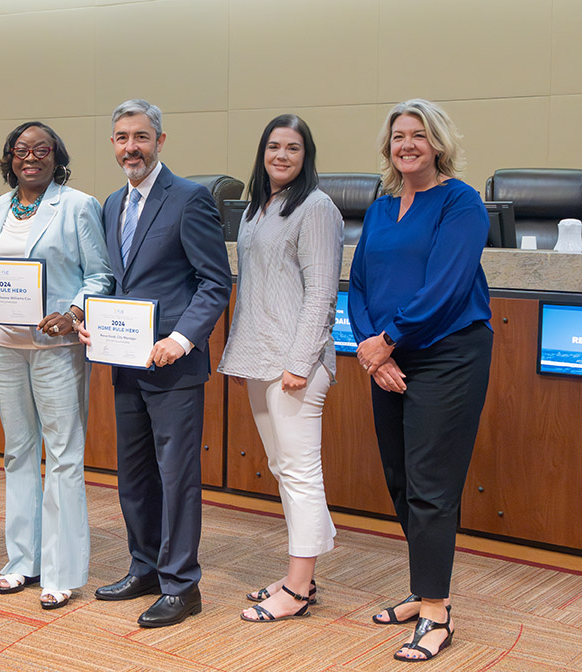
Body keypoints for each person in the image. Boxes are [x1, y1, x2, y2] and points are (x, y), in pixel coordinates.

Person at [349, 99, 492, 662]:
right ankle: (422, 587)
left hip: (448, 354)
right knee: (400, 477)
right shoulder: (383, 208)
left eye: (418, 135)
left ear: (437, 143)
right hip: (387, 356)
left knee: (432, 483)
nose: (407, 144)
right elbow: (358, 282)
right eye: (398, 136)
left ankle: (436, 610)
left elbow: (448, 286)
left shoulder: (461, 202)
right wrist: (372, 351)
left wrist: (389, 340)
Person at [79, 99, 232, 628]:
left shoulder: (190, 199)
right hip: (124, 363)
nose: (130, 148)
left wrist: (182, 339)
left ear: (160, 141)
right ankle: (144, 567)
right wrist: (89, 319)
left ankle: (181, 584)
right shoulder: (109, 205)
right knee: (134, 475)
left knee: (177, 478)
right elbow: (117, 283)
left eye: (140, 137)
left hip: (173, 367)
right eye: (121, 137)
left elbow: (216, 284)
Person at [0, 122, 112, 609]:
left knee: (63, 456)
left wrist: (75, 313)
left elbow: (100, 275)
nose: (30, 157)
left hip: (57, 349)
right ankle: (22, 561)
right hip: (5, 345)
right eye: (21, 150)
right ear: (8, 158)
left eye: (42, 150)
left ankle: (61, 572)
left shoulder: (79, 205)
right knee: (19, 454)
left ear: (56, 157)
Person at [218, 114, 343, 622]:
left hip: (297, 362)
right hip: (259, 355)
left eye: (293, 148)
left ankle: (296, 589)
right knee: (284, 469)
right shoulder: (257, 209)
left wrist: (299, 361)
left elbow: (321, 295)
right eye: (274, 147)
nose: (282, 156)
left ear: (306, 155)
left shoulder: (316, 208)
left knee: (299, 473)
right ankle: (302, 575)